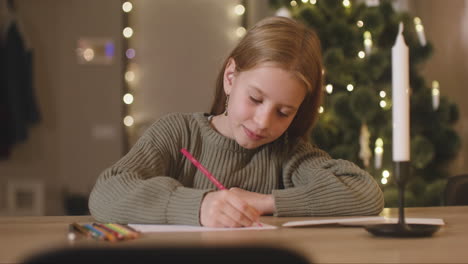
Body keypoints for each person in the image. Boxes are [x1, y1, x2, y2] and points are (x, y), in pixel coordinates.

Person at [89, 16, 384, 227]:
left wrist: (264, 202)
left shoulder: (288, 153)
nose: (263, 121)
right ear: (231, 77)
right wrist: (200, 205)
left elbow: (366, 194)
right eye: (255, 99)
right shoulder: (178, 134)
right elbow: (106, 193)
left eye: (283, 112)